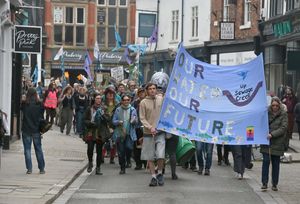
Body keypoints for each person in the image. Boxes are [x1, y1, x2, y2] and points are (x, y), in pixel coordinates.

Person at [139, 82, 165, 187]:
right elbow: (142, 118)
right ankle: (153, 176)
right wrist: (150, 127)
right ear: (147, 90)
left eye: (154, 88)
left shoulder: (161, 99)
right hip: (148, 133)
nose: (152, 90)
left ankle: (159, 173)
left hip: (160, 132)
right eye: (150, 89)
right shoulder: (143, 102)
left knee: (160, 155)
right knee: (150, 157)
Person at [260, 97, 288, 191]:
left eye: (276, 105)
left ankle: (274, 183)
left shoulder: (283, 114)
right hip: (266, 142)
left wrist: (272, 134)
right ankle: (264, 183)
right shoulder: (266, 113)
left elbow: (283, 128)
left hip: (277, 142)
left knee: (276, 164)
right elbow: (261, 124)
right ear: (270, 105)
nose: (275, 107)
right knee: (266, 161)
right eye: (273, 105)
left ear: (279, 105)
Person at [21, 88, 45, 174]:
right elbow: (42, 117)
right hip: (36, 129)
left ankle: (29, 169)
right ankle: (41, 168)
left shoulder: (24, 104)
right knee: (38, 149)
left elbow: (20, 108)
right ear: (35, 94)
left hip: (26, 129)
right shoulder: (39, 104)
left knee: (27, 150)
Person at [112, 94, 138, 174]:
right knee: (121, 151)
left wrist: (133, 121)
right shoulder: (118, 110)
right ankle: (122, 167)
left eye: (128, 100)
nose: (126, 101)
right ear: (122, 101)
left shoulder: (132, 109)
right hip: (120, 133)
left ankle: (128, 159)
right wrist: (118, 122)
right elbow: (113, 121)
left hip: (129, 133)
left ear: (129, 101)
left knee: (129, 148)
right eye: (124, 100)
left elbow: (136, 121)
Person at [83, 93, 108, 175]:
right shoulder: (89, 108)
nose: (99, 100)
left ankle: (98, 168)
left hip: (100, 132)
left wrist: (103, 116)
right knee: (90, 148)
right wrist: (90, 123)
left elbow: (108, 120)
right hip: (91, 131)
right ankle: (90, 162)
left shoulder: (104, 108)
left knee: (99, 151)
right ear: (94, 99)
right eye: (97, 98)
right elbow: (85, 120)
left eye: (100, 98)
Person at [132, 87, 147, 170]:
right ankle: (138, 163)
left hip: (146, 126)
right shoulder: (135, 102)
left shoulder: (148, 101)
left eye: (143, 93)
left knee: (145, 145)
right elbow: (132, 113)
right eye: (140, 93)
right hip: (137, 126)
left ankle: (145, 162)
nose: (141, 94)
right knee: (137, 145)